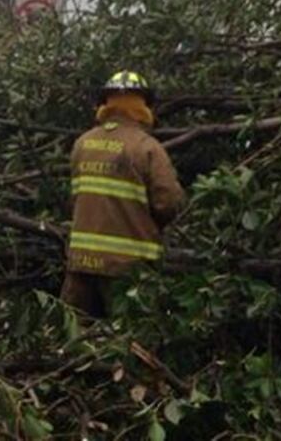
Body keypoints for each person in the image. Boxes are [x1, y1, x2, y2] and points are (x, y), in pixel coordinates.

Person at [60, 70, 186, 318]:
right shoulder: (146, 148)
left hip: (81, 264)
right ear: (144, 106)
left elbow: (75, 200)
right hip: (128, 270)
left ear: (105, 104)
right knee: (128, 344)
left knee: (75, 342)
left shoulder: (82, 144)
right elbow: (169, 204)